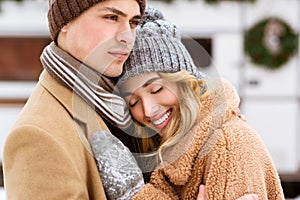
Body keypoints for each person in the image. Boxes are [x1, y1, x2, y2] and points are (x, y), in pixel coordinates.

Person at [90, 7, 284, 199]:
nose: (148, 110)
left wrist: (135, 194)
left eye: (157, 89)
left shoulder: (228, 146)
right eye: (133, 102)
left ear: (186, 83)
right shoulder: (172, 147)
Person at [2, 0, 146, 199]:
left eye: (133, 22)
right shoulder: (38, 136)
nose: (127, 37)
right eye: (111, 18)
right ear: (65, 22)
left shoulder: (119, 104)